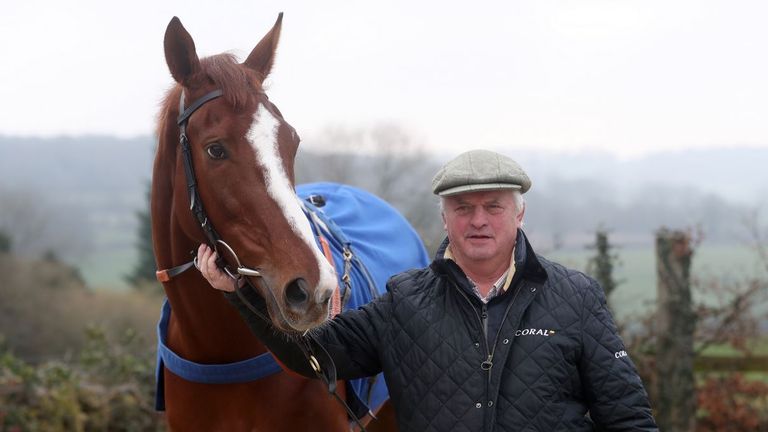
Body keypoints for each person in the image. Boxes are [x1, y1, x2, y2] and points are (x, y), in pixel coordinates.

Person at [197, 149, 658, 431]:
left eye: (493, 206)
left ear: (518, 215)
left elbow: (628, 417)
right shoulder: (404, 300)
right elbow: (314, 356)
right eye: (463, 207)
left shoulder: (576, 297)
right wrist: (239, 291)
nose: (478, 220)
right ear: (444, 218)